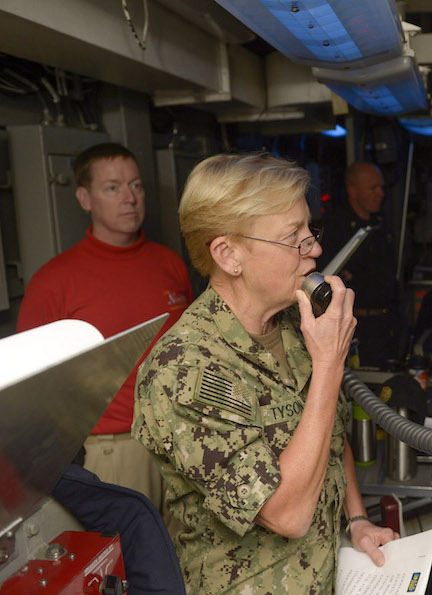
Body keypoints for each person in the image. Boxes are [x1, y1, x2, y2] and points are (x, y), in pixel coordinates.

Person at [132, 153, 397, 594]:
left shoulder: (296, 325)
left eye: (310, 231)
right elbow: (286, 514)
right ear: (229, 254)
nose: (314, 248)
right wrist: (331, 365)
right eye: (294, 238)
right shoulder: (182, 370)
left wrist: (358, 519)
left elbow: (329, 432)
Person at [16, 142, 193, 509]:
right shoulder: (54, 282)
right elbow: (28, 390)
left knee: (192, 560)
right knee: (130, 562)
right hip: (115, 450)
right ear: (85, 198)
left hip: (184, 437)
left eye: (136, 185)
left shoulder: (170, 264)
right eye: (112, 188)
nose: (129, 198)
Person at [319, 161, 401, 368]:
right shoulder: (335, 229)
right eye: (373, 188)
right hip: (357, 327)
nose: (380, 193)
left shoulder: (380, 226)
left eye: (381, 187)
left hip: (386, 324)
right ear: (353, 191)